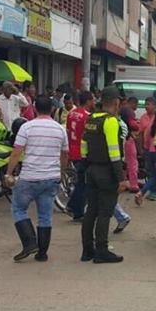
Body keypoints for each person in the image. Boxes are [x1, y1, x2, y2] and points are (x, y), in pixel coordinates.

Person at [4, 96, 68, 262]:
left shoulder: (27, 127)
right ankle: (42, 253)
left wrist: (8, 173)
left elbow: (16, 152)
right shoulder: (60, 129)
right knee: (45, 216)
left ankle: (29, 242)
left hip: (29, 177)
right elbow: (64, 154)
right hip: (51, 177)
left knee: (18, 209)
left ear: (35, 108)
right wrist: (61, 172)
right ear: (52, 109)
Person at [80, 86, 128, 264]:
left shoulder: (91, 118)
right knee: (105, 212)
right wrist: (121, 178)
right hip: (106, 171)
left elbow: (83, 145)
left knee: (91, 211)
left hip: (91, 169)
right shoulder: (111, 121)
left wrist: (86, 165)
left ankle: (87, 250)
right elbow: (114, 152)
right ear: (116, 103)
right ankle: (101, 251)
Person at [66, 90, 94, 222]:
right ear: (88, 101)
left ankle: (74, 207)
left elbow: (68, 131)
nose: (94, 102)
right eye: (92, 100)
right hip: (82, 152)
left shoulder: (71, 113)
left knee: (81, 181)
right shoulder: (87, 116)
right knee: (83, 183)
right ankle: (75, 209)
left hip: (72, 150)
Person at [121, 96, 140, 193]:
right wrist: (140, 125)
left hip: (121, 139)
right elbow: (133, 125)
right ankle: (133, 184)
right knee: (132, 162)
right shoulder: (129, 111)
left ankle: (123, 182)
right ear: (133, 103)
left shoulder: (121, 109)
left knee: (124, 162)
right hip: (128, 139)